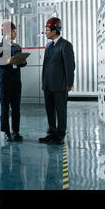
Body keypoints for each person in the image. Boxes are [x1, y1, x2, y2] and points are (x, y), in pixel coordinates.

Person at [39, 17, 75, 145]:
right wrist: (44, 82)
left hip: (60, 86)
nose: (46, 32)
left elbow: (70, 66)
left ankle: (60, 135)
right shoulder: (48, 46)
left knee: (60, 111)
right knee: (49, 111)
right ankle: (51, 133)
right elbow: (46, 66)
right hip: (48, 85)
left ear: (54, 31)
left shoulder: (65, 45)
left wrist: (69, 83)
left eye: (47, 30)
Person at [0, 22, 27, 142]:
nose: (15, 33)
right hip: (5, 82)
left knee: (16, 108)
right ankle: (6, 132)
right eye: (13, 31)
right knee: (5, 109)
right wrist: (7, 61)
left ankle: (16, 131)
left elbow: (22, 62)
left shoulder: (17, 47)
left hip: (16, 81)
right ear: (6, 32)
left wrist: (22, 62)